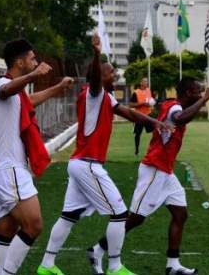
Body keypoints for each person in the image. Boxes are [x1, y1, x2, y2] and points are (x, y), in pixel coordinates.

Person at [37, 34, 167, 275]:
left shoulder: (104, 97)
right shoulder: (93, 93)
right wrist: (97, 53)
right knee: (119, 214)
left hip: (80, 164)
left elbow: (129, 113)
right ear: (99, 76)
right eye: (110, 73)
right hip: (88, 165)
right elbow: (96, 78)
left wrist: (154, 122)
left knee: (68, 216)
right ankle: (115, 267)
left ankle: (46, 265)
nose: (114, 76)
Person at [89, 77, 209, 275]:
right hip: (155, 169)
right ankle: (98, 249)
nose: (201, 94)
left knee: (180, 215)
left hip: (165, 172)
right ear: (189, 93)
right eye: (198, 91)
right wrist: (206, 99)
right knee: (136, 218)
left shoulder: (173, 105)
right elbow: (180, 118)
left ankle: (172, 264)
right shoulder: (175, 108)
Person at [0, 38, 74, 275]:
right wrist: (34, 75)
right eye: (32, 58)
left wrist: (57, 88)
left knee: (6, 228)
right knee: (34, 225)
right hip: (8, 169)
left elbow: (28, 100)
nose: (35, 61)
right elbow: (8, 90)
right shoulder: (1, 85)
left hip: (5, 167)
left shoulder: (17, 92)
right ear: (19, 61)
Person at [129, 77, 155, 155]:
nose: (146, 83)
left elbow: (152, 99)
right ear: (141, 83)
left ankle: (153, 149)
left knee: (155, 131)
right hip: (139, 116)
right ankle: (136, 150)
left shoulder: (149, 90)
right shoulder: (136, 92)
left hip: (148, 115)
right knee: (138, 134)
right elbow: (131, 104)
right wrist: (142, 104)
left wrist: (152, 102)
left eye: (147, 81)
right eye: (144, 81)